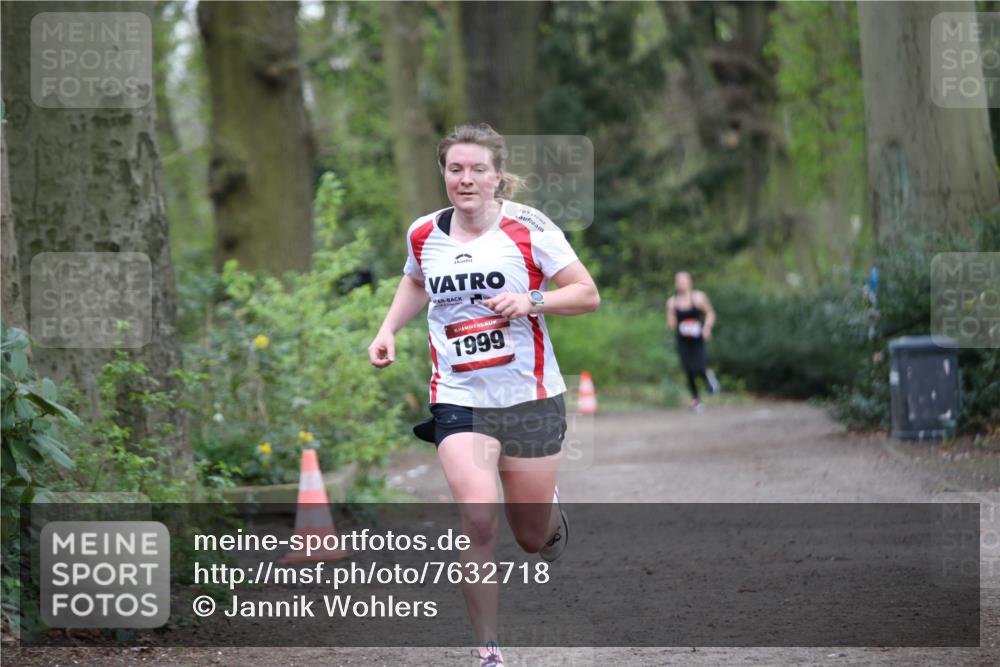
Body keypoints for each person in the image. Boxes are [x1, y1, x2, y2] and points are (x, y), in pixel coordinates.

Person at [367, 123, 600, 667]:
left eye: (477, 170)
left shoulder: (529, 227)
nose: (465, 179)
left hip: (530, 397)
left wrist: (532, 301)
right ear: (443, 174)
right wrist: (387, 330)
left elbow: (586, 294)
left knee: (529, 537)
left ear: (498, 176)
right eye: (455, 169)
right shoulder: (424, 233)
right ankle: (488, 650)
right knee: (476, 519)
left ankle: (547, 515)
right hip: (459, 396)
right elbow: (416, 282)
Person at [666, 271, 719, 412]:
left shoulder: (698, 297)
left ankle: (708, 378)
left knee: (699, 367)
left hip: (697, 339)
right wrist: (671, 322)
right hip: (683, 340)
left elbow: (710, 313)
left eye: (684, 280)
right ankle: (695, 400)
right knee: (688, 370)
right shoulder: (672, 302)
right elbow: (671, 323)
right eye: (679, 281)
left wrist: (707, 328)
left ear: (690, 281)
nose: (681, 283)